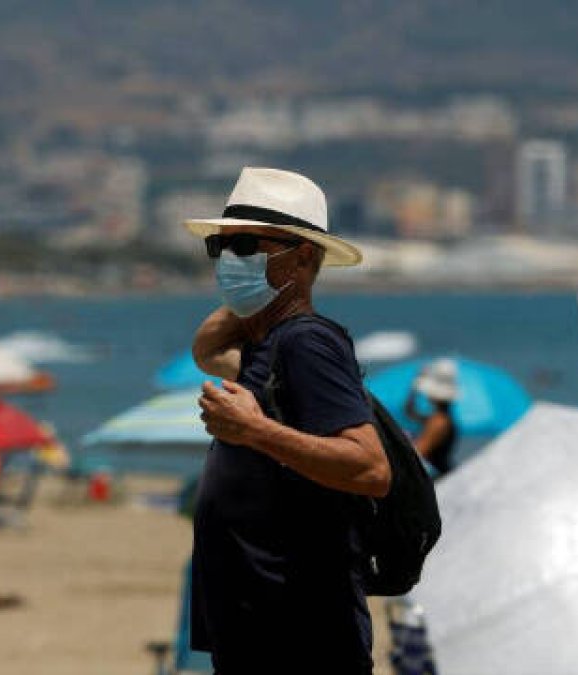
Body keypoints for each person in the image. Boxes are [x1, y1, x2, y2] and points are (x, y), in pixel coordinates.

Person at [187, 167, 390, 674]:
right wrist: (252, 296)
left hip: (301, 636)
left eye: (248, 246)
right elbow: (207, 349)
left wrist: (255, 431)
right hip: (260, 630)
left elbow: (370, 468)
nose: (231, 261)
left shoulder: (307, 343)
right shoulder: (271, 345)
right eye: (222, 248)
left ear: (302, 256)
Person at [405, 358, 460, 477]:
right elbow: (409, 411)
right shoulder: (441, 418)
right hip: (443, 473)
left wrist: (404, 441)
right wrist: (414, 390)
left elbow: (419, 451)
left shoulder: (439, 421)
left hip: (439, 478)